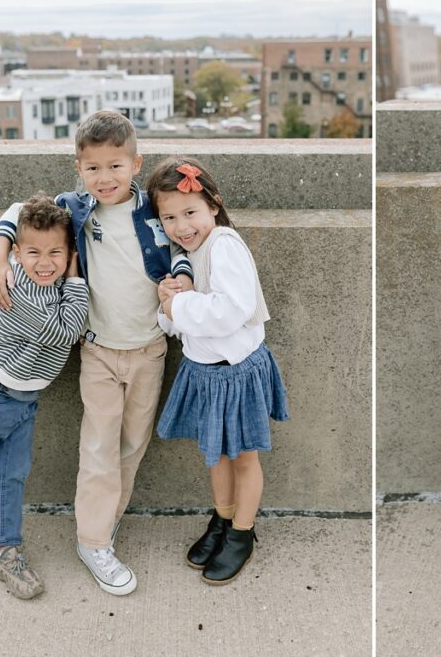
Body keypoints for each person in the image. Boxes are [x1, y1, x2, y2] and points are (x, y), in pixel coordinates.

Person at [0, 111, 193, 596]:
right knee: (99, 446)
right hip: (98, 352)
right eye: (94, 168)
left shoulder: (154, 210)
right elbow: (17, 212)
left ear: (135, 163)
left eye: (116, 166)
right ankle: (93, 539)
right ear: (79, 169)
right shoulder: (74, 210)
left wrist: (182, 276)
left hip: (149, 350)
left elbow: (184, 243)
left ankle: (108, 519)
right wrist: (1, 259)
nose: (105, 178)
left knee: (131, 445)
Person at [146, 156, 288, 584]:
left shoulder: (223, 244)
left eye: (190, 212)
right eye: (169, 217)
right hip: (205, 372)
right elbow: (177, 323)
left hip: (237, 372)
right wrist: (168, 303)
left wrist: (179, 304)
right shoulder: (185, 254)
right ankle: (223, 519)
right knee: (216, 454)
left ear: (213, 205)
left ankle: (243, 533)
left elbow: (232, 310)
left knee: (243, 457)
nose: (181, 225)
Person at [0, 193, 88, 600]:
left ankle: (8, 552)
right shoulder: (16, 286)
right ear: (17, 252)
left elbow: (14, 209)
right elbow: (66, 332)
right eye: (33, 252)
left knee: (13, 477)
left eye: (56, 253)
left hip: (25, 399)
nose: (45, 263)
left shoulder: (25, 265)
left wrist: (4, 251)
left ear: (67, 250)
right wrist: (76, 276)